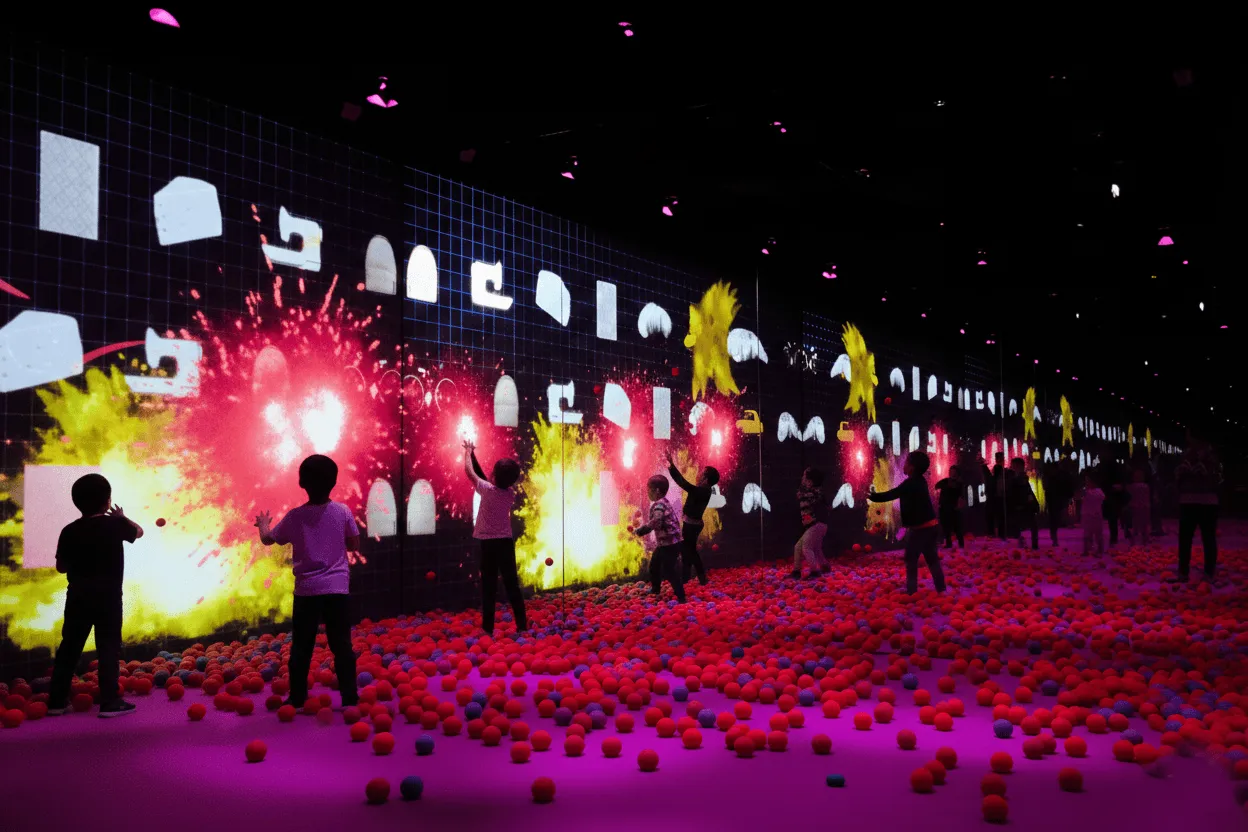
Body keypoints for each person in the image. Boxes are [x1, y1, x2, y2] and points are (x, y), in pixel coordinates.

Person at [255, 454, 361, 709]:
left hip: (307, 591)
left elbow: (269, 539)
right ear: (333, 482)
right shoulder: (343, 511)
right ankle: (350, 697)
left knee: (302, 646)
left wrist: (263, 525)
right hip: (337, 589)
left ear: (302, 482)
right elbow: (354, 544)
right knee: (342, 645)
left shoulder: (295, 517)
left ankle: (298, 697)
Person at [46, 474, 144, 717]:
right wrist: (123, 518)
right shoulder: (115, 524)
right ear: (108, 502)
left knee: (69, 648)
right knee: (108, 648)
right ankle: (110, 701)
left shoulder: (68, 530)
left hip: (78, 597)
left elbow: (61, 567)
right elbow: (139, 532)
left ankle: (56, 702)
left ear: (76, 501)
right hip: (109, 598)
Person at [460, 441, 528, 632]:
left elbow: (470, 472)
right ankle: (522, 626)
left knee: (489, 588)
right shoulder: (509, 494)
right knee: (512, 586)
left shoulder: (487, 490)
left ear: (494, 476)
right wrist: (473, 454)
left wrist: (467, 452)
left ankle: (488, 629)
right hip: (506, 544)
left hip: (489, 546)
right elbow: (483, 477)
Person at [868, 451, 946, 595]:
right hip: (931, 526)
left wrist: (873, 497)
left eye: (906, 462)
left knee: (911, 559)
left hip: (920, 530)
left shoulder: (910, 483)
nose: (903, 464)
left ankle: (912, 592)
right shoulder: (921, 481)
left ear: (912, 467)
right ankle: (941, 589)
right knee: (931, 558)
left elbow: (892, 494)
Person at [1171, 437, 1220, 583]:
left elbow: (1219, 480)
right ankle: (1184, 572)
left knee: (1207, 537)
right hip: (1189, 499)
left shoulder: (1213, 458)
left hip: (1206, 500)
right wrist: (1180, 474)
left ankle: (1208, 572)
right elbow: (1177, 479)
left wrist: (1207, 474)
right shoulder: (1185, 455)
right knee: (1186, 538)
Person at [667, 456, 718, 585]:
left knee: (690, 551)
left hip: (691, 526)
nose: (699, 474)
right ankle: (688, 578)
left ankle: (698, 579)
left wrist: (672, 465)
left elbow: (682, 483)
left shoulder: (702, 491)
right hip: (691, 524)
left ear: (705, 480)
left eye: (702, 473)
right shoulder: (704, 490)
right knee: (688, 551)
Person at [635, 475, 686, 602]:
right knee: (654, 565)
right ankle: (655, 589)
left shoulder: (659, 505)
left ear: (657, 491)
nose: (647, 493)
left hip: (669, 544)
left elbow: (656, 522)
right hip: (668, 542)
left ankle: (681, 597)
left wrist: (641, 530)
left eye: (649, 490)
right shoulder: (664, 502)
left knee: (669, 570)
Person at [791, 467, 831, 579]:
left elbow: (807, 497)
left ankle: (814, 571)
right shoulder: (812, 492)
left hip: (816, 524)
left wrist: (802, 492)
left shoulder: (814, 493)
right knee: (800, 547)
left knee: (806, 547)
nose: (802, 478)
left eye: (804, 476)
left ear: (810, 481)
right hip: (814, 525)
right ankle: (822, 566)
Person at [1006, 458, 1040, 550]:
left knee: (1028, 524)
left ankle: (1030, 543)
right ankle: (1027, 543)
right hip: (1021, 505)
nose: (1012, 467)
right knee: (1025, 524)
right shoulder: (1017, 477)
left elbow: (1026, 492)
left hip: (1023, 505)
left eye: (1014, 465)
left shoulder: (1020, 478)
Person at [1042, 459, 1073, 546]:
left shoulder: (1058, 476)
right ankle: (1054, 535)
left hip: (1056, 499)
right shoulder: (1058, 476)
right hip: (1055, 499)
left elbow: (1068, 486)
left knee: (1055, 517)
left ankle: (1054, 534)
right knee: (1055, 517)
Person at [934, 465, 965, 549]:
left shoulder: (959, 483)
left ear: (957, 473)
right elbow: (936, 486)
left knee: (956, 527)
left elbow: (962, 496)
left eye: (954, 472)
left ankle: (961, 544)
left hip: (953, 508)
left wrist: (959, 505)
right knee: (946, 526)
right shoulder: (946, 481)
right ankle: (949, 543)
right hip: (944, 508)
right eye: (951, 472)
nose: (952, 474)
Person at [981, 452, 1007, 539]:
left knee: (992, 515)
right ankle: (998, 533)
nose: (998, 460)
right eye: (998, 458)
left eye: (1000, 458)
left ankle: (994, 533)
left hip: (995, 497)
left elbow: (990, 480)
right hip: (996, 496)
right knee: (996, 516)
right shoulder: (999, 469)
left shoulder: (998, 469)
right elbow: (991, 480)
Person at [1079, 472, 1105, 556]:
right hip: (1087, 515)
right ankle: (1086, 549)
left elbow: (1101, 499)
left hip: (1095, 515)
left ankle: (1100, 549)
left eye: (1088, 481)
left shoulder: (1098, 491)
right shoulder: (1086, 491)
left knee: (1098, 533)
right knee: (1087, 533)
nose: (1086, 483)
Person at [1126, 468, 1151, 545]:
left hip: (1136, 507)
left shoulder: (1132, 486)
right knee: (1144, 525)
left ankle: (1134, 541)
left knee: (1135, 525)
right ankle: (1144, 540)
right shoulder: (1146, 486)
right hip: (1144, 507)